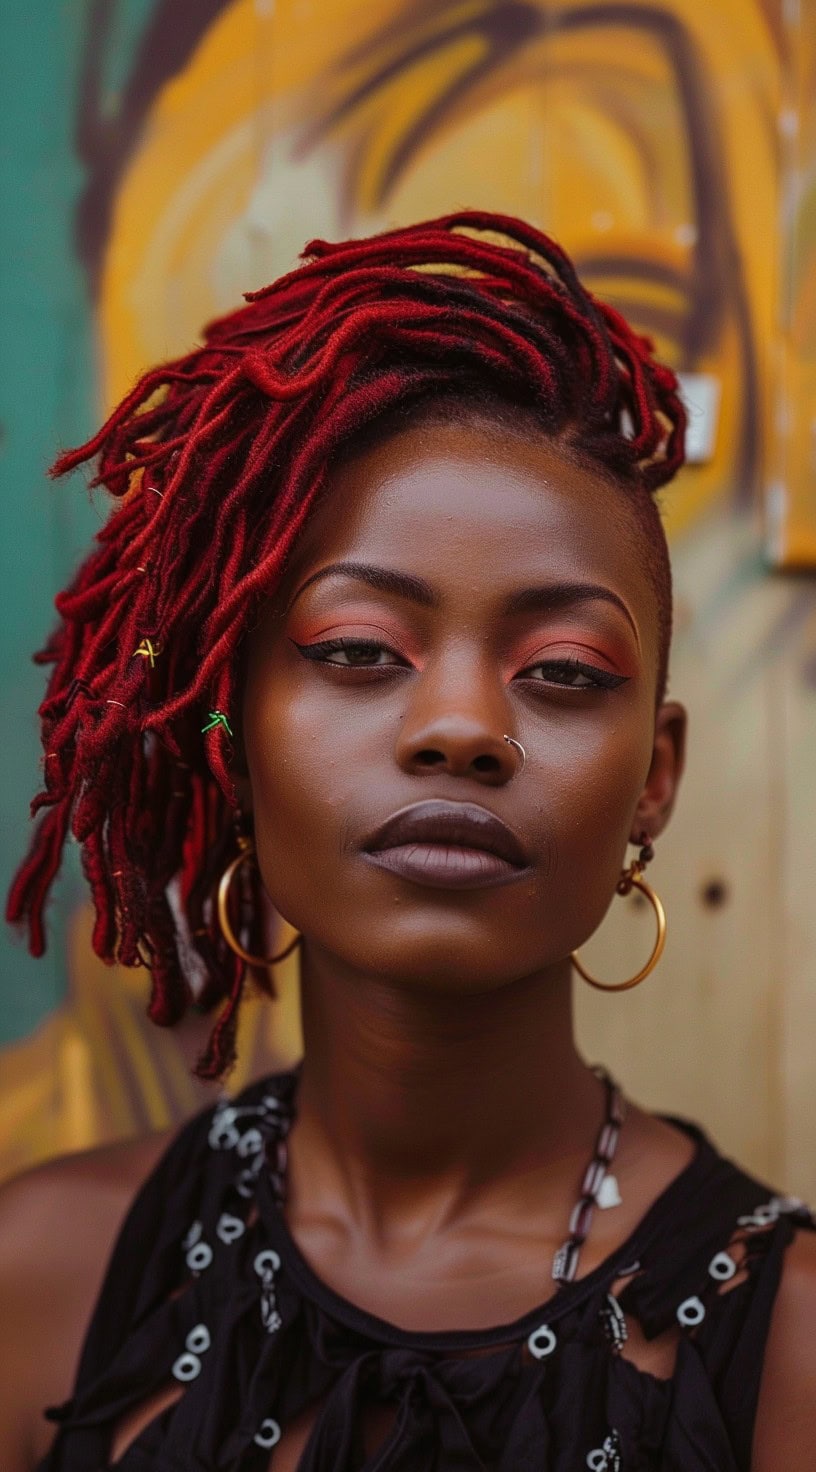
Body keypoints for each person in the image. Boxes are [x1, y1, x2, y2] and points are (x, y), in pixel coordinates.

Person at [1, 212, 814, 1471]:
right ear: (234, 731)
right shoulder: (44, 1272)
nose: (460, 729)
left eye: (560, 669)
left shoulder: (796, 1346)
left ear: (653, 780)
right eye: (358, 652)